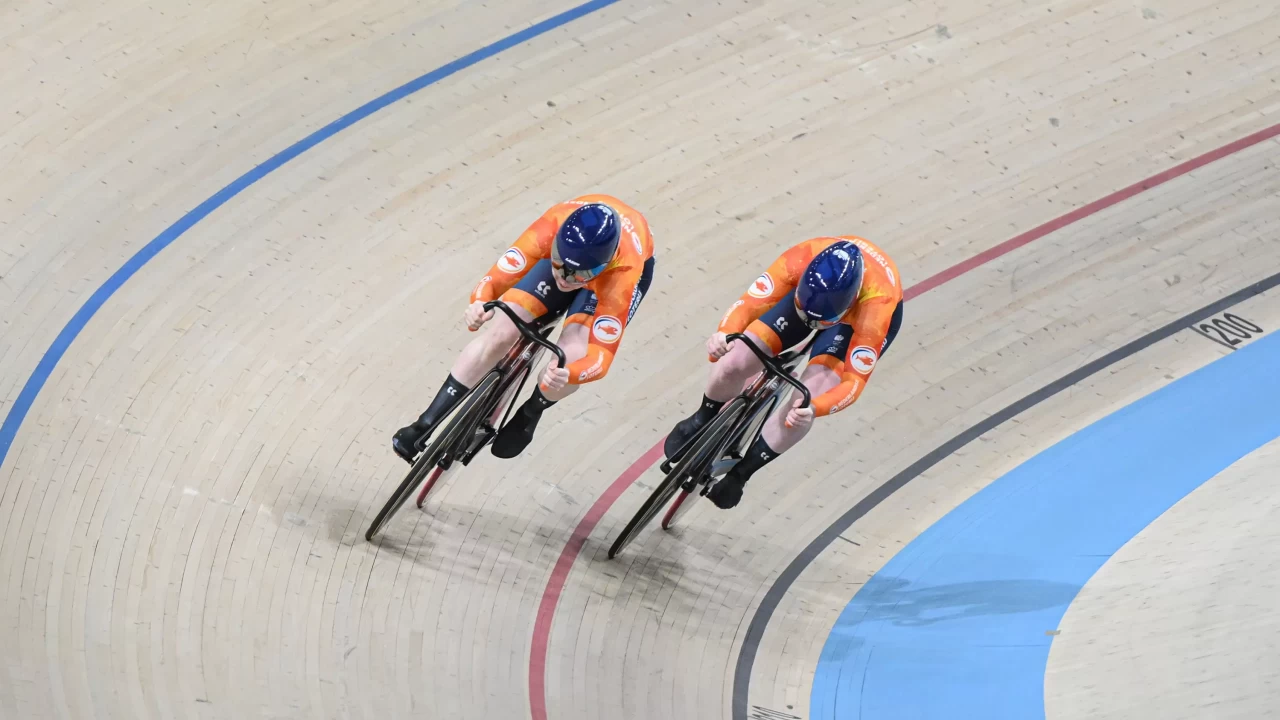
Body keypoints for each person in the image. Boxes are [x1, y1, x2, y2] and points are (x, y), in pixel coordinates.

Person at [393, 195, 656, 462]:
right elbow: (494, 280)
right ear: (555, 244)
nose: (565, 279)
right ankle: (424, 424)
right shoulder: (550, 226)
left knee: (571, 354)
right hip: (580, 256)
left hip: (611, 279)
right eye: (558, 264)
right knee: (501, 333)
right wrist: (479, 304)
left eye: (579, 275)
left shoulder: (623, 272)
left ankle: (531, 411)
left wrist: (570, 373)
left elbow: (600, 359)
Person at [664, 236, 903, 509]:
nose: (812, 324)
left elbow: (853, 383)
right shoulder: (799, 258)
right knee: (735, 359)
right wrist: (724, 334)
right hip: (812, 302)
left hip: (852, 323)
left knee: (804, 403)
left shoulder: (876, 309)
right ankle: (702, 418)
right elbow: (749, 303)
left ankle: (742, 474)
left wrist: (815, 408)